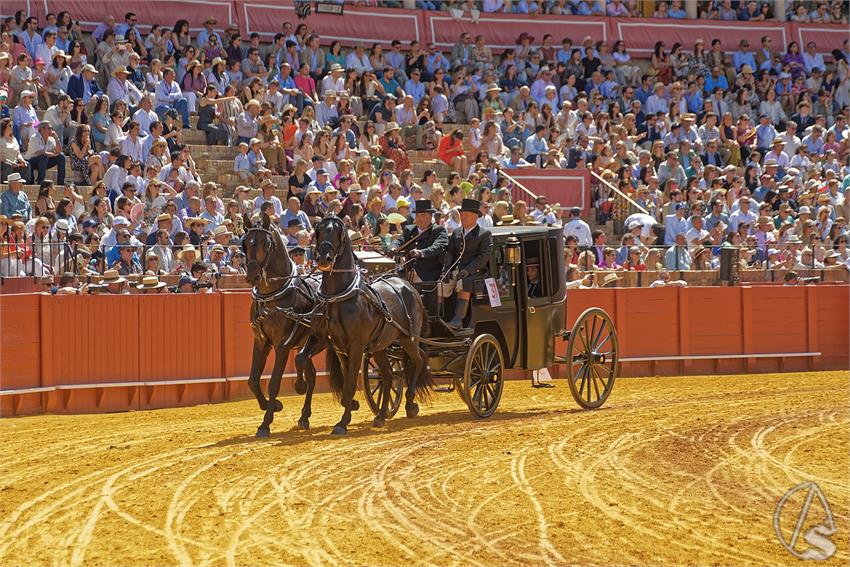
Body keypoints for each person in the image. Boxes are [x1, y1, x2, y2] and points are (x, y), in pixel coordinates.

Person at [442, 198, 493, 329]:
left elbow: (484, 256)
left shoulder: (484, 234)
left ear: (475, 217)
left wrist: (468, 270)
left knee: (463, 283)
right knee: (440, 285)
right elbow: (450, 252)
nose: (463, 218)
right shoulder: (456, 232)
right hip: (457, 269)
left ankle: (458, 320)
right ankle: (439, 318)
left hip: (476, 272)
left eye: (466, 215)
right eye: (462, 215)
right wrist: (446, 269)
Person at [387, 199, 448, 283]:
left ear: (430, 217)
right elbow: (399, 240)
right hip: (407, 272)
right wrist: (393, 247)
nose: (419, 219)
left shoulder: (438, 230)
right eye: (417, 216)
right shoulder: (409, 229)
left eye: (423, 215)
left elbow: (438, 246)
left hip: (428, 274)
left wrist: (421, 252)